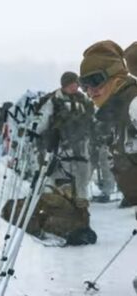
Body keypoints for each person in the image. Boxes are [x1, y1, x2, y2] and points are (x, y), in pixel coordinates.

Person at [79, 40, 137, 208]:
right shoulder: (116, 112)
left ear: (117, 76)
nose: (90, 91)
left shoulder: (134, 105)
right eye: (84, 84)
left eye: (95, 80)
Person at [33, 71, 95, 208]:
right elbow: (43, 120)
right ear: (64, 85)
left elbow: (92, 116)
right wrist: (38, 133)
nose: (75, 87)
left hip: (81, 142)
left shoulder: (83, 99)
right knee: (56, 172)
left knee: (83, 172)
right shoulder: (54, 100)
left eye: (76, 84)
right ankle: (53, 200)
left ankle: (81, 203)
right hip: (60, 142)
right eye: (72, 84)